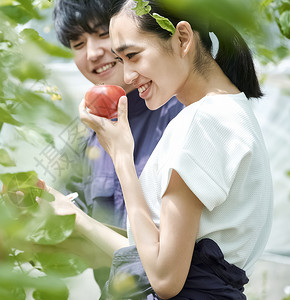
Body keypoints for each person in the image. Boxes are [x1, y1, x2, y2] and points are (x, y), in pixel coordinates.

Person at [45, 0, 274, 298]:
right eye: (121, 59)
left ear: (182, 38)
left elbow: (165, 279)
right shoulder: (230, 110)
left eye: (133, 55)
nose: (127, 76)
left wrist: (122, 159)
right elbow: (158, 255)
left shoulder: (198, 122)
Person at [51, 0, 184, 289]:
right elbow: (63, 220)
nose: (93, 53)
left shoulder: (179, 113)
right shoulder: (86, 132)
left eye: (103, 33)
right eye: (77, 43)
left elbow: (174, 263)